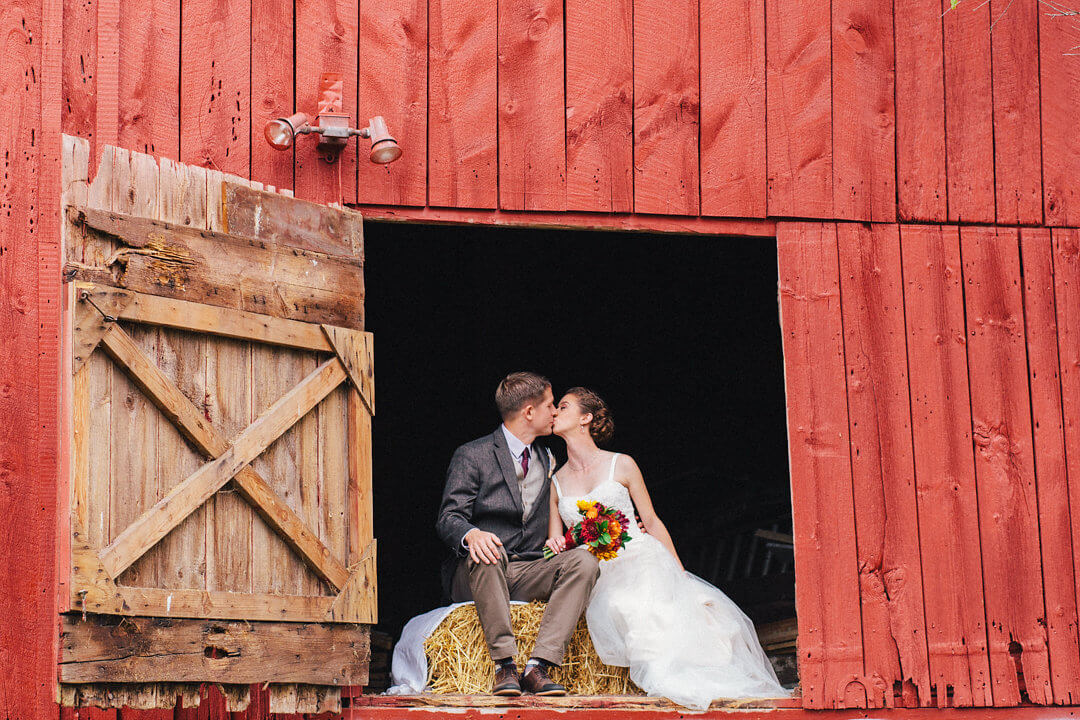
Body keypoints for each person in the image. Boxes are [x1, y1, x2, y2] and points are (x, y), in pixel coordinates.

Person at [544, 387, 790, 709]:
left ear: (585, 418)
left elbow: (652, 520)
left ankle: (679, 685)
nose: (554, 412)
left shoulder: (623, 464)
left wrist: (679, 570)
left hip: (638, 557)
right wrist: (555, 545)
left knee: (644, 605)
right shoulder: (556, 481)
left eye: (563, 407)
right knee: (617, 603)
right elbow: (555, 543)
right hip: (594, 570)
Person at [436, 372, 601, 697]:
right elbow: (448, 517)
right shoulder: (473, 454)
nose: (555, 412)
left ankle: (538, 666)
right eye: (551, 405)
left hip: (528, 568)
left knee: (584, 560)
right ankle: (504, 667)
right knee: (488, 552)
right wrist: (472, 535)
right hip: (477, 571)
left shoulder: (549, 458)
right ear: (529, 412)